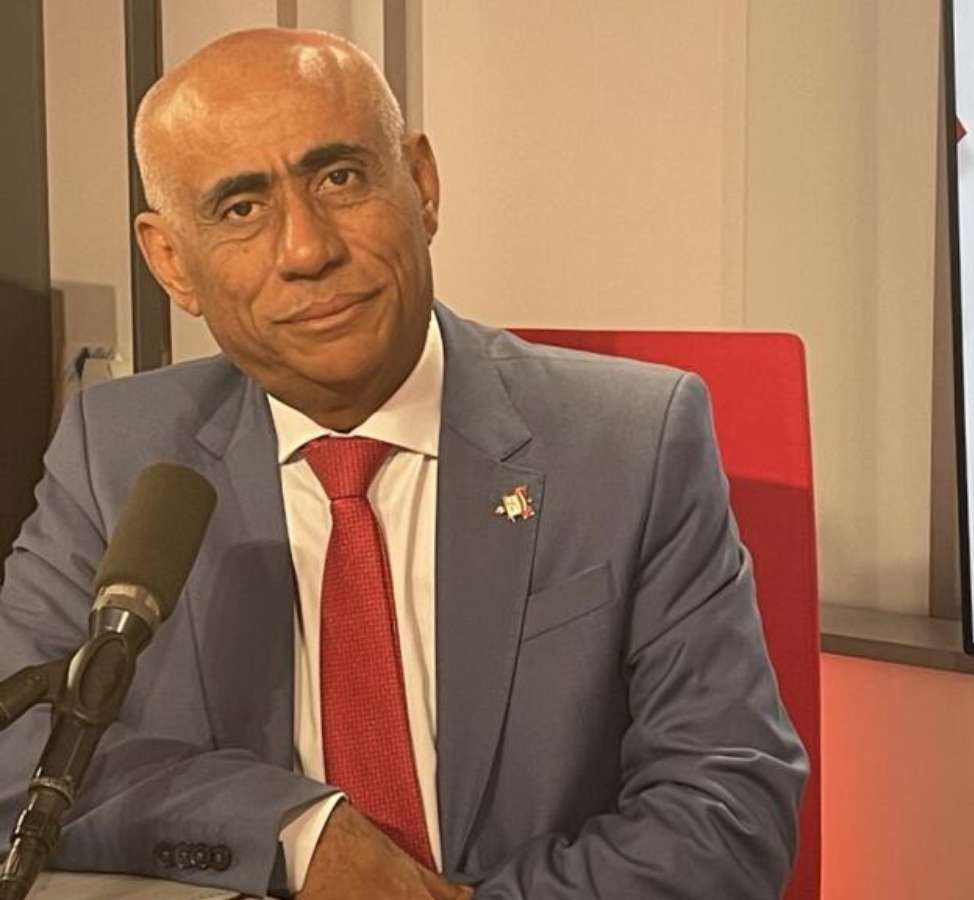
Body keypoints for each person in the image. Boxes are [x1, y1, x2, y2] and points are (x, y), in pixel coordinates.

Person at [0, 28, 806, 899]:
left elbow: (726, 812)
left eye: (340, 178)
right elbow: (16, 748)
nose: (306, 249)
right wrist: (299, 834)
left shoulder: (631, 442)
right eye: (240, 209)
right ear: (170, 263)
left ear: (420, 185)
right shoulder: (117, 451)